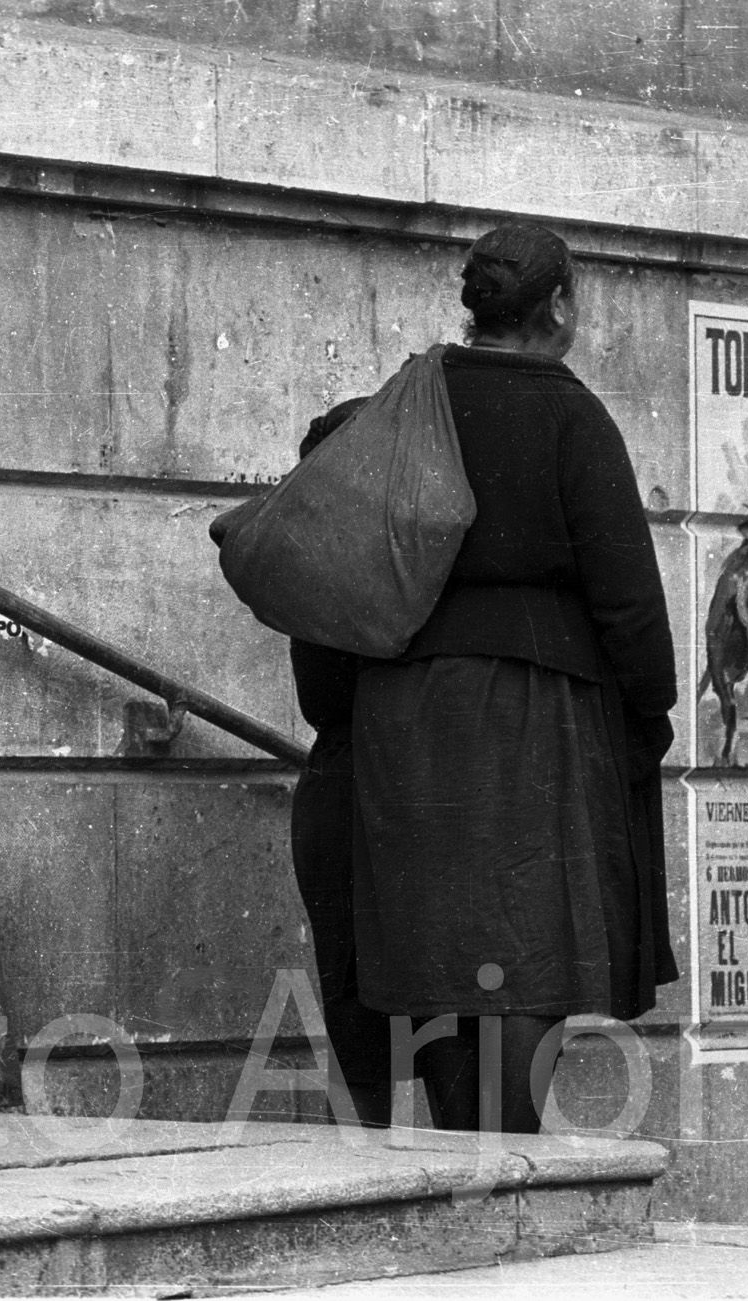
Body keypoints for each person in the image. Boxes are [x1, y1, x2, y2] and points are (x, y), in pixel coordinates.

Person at [349, 222, 678, 1131]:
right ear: (560, 304)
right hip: (534, 706)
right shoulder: (570, 414)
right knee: (529, 937)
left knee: (439, 935)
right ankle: (504, 1147)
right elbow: (629, 601)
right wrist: (648, 713)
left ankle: (464, 1141)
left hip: (406, 705)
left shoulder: (407, 399)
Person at [286, 399, 392, 1127]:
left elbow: (319, 696)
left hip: (342, 785)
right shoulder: (418, 550)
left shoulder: (317, 555)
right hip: (389, 789)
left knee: (359, 1027)